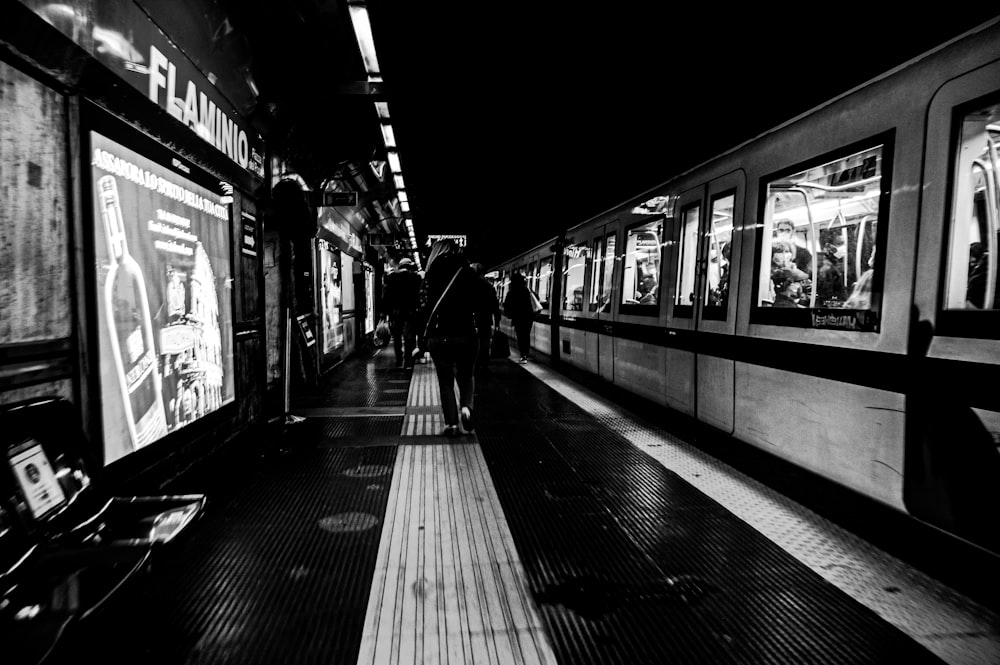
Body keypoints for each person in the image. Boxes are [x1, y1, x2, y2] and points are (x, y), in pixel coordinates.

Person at [420, 239, 486, 437]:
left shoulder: (430, 274)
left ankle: (452, 424)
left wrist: (422, 336)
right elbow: (480, 304)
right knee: (467, 376)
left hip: (440, 336)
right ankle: (466, 408)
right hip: (467, 334)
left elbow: (423, 306)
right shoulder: (468, 272)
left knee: (446, 381)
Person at [381, 257, 423, 368]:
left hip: (396, 313)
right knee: (410, 336)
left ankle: (399, 359)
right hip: (411, 312)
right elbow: (419, 296)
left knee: (397, 337)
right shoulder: (416, 277)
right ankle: (408, 360)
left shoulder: (391, 277)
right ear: (410, 266)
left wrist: (384, 312)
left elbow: (387, 297)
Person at [469, 262, 501, 376]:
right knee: (485, 343)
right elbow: (495, 306)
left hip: (470, 320)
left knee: (472, 344)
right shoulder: (489, 287)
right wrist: (497, 322)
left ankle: (475, 365)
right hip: (485, 320)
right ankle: (485, 364)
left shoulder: (468, 287)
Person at [503, 272, 536, 364]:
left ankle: (523, 354)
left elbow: (507, 304)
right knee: (526, 335)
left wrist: (509, 313)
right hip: (528, 317)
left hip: (518, 317)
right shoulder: (527, 290)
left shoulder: (512, 292)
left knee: (520, 336)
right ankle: (525, 354)